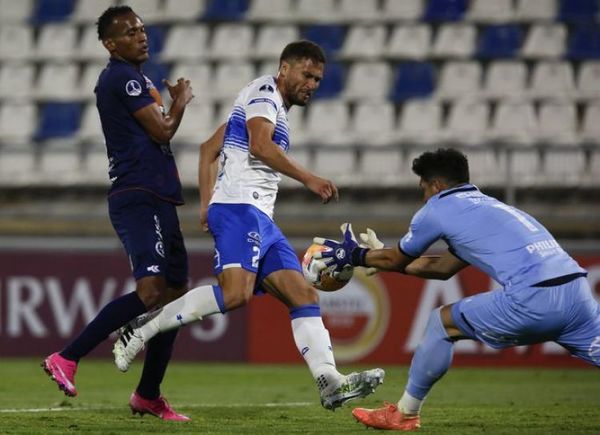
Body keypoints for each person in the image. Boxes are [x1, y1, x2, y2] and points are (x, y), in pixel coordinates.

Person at [113, 40, 385, 410]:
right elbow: (259, 145)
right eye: (307, 75)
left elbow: (209, 148)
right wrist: (308, 178)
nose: (312, 84)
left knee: (304, 296)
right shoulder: (264, 92)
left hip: (259, 217)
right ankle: (141, 328)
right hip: (241, 208)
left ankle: (329, 381)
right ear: (284, 68)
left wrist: (207, 203)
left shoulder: (269, 108)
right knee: (235, 294)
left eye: (318, 79)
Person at [313, 148, 600, 431]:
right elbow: (442, 268)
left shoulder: (437, 208)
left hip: (534, 299)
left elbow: (399, 258)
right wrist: (383, 257)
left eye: (423, 189)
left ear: (436, 185)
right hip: (578, 294)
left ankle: (404, 415)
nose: (424, 197)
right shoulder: (491, 207)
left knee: (441, 322)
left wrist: (355, 256)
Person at [42, 6, 194, 421]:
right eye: (130, 32)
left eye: (142, 29)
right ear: (111, 44)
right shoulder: (120, 77)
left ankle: (148, 394)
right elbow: (162, 130)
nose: (141, 36)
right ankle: (66, 357)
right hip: (137, 194)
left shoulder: (138, 78)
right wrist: (180, 103)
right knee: (150, 293)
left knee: (176, 298)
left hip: (160, 195)